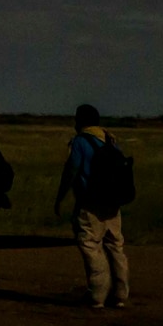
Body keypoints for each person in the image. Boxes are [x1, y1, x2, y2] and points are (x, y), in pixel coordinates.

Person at [55, 103, 130, 308]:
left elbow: (71, 170)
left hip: (90, 204)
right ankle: (120, 294)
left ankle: (97, 295)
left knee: (90, 246)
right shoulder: (110, 140)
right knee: (115, 246)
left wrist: (60, 198)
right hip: (113, 204)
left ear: (79, 121)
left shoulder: (79, 142)